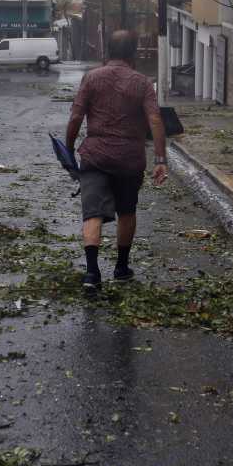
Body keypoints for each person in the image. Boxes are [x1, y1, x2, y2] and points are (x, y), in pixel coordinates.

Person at [66, 29, 168, 292]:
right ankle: (121, 268)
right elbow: (155, 120)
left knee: (92, 213)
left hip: (95, 156)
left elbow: (76, 117)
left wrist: (68, 149)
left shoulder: (91, 78)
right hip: (129, 159)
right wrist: (160, 159)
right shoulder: (142, 83)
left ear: (107, 51)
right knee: (127, 211)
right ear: (133, 53)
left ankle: (91, 273)